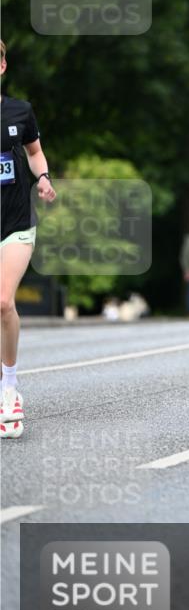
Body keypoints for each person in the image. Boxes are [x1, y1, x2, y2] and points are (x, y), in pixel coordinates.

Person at [0, 39, 57, 439]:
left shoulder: (19, 111)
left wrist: (44, 178)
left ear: (2, 66)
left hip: (16, 222)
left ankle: (9, 388)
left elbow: (35, 152)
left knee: (3, 301)